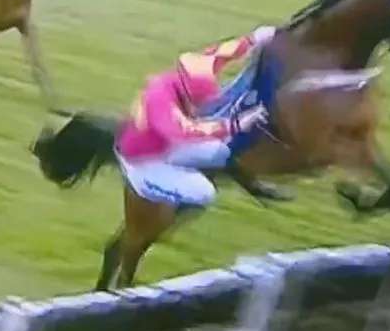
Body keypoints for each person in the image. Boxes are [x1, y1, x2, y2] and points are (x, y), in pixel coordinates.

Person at [115, 26, 289, 209]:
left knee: (222, 152)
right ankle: (155, 190)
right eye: (197, 102)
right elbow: (187, 130)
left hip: (163, 145)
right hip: (143, 162)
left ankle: (180, 173)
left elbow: (219, 54)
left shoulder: (190, 73)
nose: (199, 106)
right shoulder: (162, 102)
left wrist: (253, 39)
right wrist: (235, 125)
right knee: (205, 194)